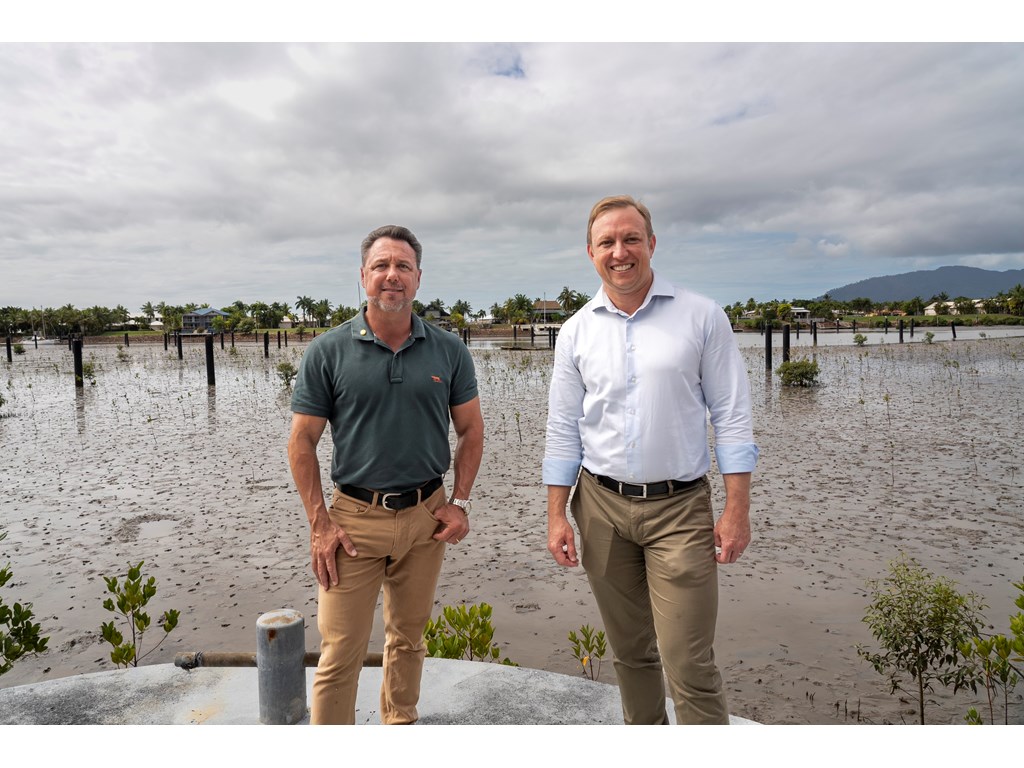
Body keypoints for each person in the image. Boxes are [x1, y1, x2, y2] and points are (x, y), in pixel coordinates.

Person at [543, 195, 758, 725]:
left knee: (689, 661)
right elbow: (563, 429)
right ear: (590, 253)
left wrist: (737, 510)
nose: (621, 251)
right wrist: (555, 514)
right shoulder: (575, 330)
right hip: (598, 507)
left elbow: (731, 417)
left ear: (652, 244)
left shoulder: (702, 316)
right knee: (631, 655)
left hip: (680, 509)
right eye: (607, 242)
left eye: (631, 238)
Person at [288, 224, 483, 725]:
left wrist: (459, 503)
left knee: (409, 638)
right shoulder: (327, 352)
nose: (391, 276)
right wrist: (320, 523)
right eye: (381, 266)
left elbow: (471, 431)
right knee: (340, 652)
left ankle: (400, 728)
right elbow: (301, 442)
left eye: (402, 266)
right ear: (363, 277)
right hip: (352, 522)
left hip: (426, 518)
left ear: (418, 278)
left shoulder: (449, 351)